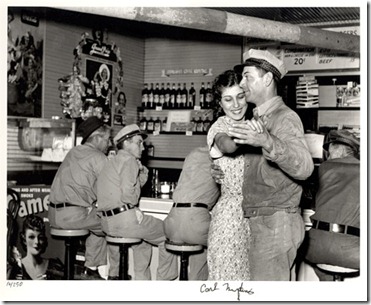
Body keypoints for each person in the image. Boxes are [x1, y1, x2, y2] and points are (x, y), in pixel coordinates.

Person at [226, 49, 314, 280]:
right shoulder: (258, 118)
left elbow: (304, 168)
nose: (242, 83)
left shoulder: (284, 117)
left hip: (276, 222)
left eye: (248, 76)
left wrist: (268, 141)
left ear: (267, 79)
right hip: (265, 219)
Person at [96, 124, 178, 280]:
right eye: (139, 142)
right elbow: (130, 197)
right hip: (125, 222)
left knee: (143, 245)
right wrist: (132, 209)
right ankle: (164, 282)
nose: (143, 147)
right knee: (168, 233)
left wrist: (142, 172)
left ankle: (130, 279)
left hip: (107, 223)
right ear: (126, 143)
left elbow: (126, 189)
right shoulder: (129, 160)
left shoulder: (110, 162)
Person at [48, 116, 119, 280]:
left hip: (53, 215)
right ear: (97, 138)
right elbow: (113, 191)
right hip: (73, 217)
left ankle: (91, 269)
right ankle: (114, 275)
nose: (110, 144)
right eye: (108, 139)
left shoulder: (73, 152)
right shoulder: (98, 157)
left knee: (98, 216)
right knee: (115, 223)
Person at [206, 70, 252, 281]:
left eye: (240, 97)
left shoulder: (253, 122)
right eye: (228, 99)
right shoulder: (219, 127)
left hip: (252, 216)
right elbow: (229, 145)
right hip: (229, 219)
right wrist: (255, 134)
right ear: (220, 103)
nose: (235, 105)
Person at [305, 130, 360, 280]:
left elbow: (315, 205)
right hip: (352, 253)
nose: (328, 157)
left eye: (329, 153)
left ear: (340, 150)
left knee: (324, 271)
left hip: (313, 249)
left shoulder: (321, 169)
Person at [163, 146, 220, 280]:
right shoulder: (220, 157)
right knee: (226, 244)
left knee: (202, 245)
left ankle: (166, 281)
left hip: (172, 222)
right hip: (196, 222)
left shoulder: (194, 152)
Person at [9, 215, 64, 280]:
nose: (37, 242)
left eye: (40, 237)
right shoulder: (16, 269)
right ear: (24, 239)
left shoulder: (55, 266)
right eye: (31, 237)